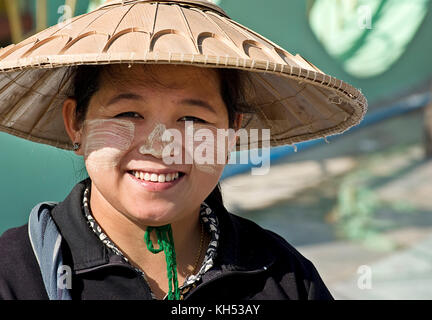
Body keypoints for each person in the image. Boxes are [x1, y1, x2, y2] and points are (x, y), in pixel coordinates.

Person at [0, 0, 367, 300]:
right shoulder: (16, 275)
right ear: (75, 122)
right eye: (128, 113)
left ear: (232, 131)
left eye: (192, 119)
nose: (161, 146)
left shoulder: (282, 277)